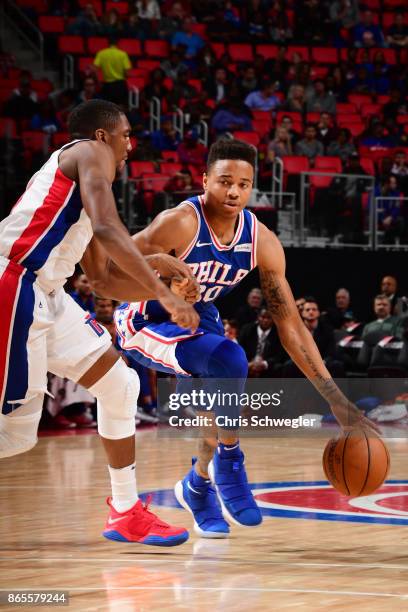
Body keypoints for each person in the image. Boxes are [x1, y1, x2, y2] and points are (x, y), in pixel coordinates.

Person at [95, 139, 378, 539]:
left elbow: (292, 327)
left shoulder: (261, 241)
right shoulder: (179, 223)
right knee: (230, 358)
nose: (233, 192)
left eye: (243, 184)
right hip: (144, 317)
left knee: (214, 413)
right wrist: (160, 273)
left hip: (197, 318)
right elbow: (106, 275)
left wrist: (336, 400)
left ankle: (196, 486)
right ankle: (231, 462)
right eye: (225, 181)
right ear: (205, 179)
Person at [0, 99, 200, 546]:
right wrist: (165, 294)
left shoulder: (85, 191)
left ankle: (126, 512)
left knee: (120, 384)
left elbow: (104, 279)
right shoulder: (88, 153)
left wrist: (156, 277)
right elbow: (110, 229)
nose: (131, 146)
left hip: (47, 295)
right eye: (127, 135)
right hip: (13, 283)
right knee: (14, 433)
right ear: (103, 136)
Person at [238, 309, 285, 377]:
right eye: (263, 317)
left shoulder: (279, 333)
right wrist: (249, 363)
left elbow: (280, 355)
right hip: (248, 362)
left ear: (273, 319)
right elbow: (240, 348)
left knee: (278, 367)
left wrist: (264, 364)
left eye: (269, 318)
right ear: (258, 317)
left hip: (268, 366)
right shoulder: (247, 330)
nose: (265, 320)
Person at [93, 35, 131, 106]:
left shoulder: (101, 53)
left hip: (107, 86)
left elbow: (94, 70)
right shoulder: (123, 54)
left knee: (108, 108)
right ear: (117, 43)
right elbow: (127, 73)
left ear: (108, 43)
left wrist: (98, 82)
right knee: (120, 108)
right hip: (120, 85)